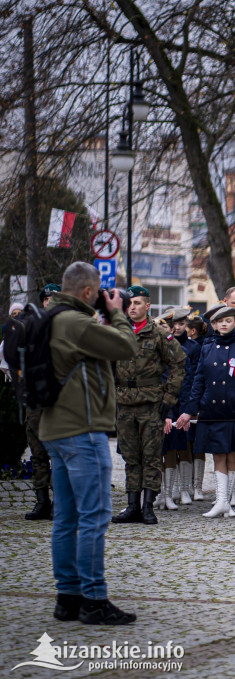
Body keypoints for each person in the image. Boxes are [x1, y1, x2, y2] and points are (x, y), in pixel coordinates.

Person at [39, 262, 138, 625]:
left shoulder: (51, 317)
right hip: (82, 429)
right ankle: (94, 599)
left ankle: (67, 598)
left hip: (55, 429)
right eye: (97, 291)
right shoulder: (75, 322)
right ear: (86, 291)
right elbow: (126, 346)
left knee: (66, 518)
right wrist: (117, 312)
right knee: (94, 516)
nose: (100, 297)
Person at [176, 306, 235, 518]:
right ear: (214, 325)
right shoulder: (207, 347)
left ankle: (227, 501)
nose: (224, 324)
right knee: (218, 453)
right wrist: (190, 410)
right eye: (220, 321)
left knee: (232, 453)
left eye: (228, 320)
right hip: (212, 408)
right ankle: (221, 502)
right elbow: (199, 380)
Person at [111, 286, 186, 524]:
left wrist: (169, 398)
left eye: (137, 303)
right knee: (130, 456)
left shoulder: (159, 334)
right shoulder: (118, 332)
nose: (132, 307)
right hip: (124, 403)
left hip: (151, 403)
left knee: (151, 456)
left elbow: (179, 363)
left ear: (147, 306)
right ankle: (132, 505)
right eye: (129, 303)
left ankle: (148, 506)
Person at [20, 284, 61, 520]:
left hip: (57, 402)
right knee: (37, 453)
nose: (49, 302)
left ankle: (59, 502)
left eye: (54, 298)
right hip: (35, 400)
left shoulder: (66, 328)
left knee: (58, 454)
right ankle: (42, 501)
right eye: (46, 299)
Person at [162, 307, 201, 506]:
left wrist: (191, 407)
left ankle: (185, 489)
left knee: (185, 446)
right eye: (173, 324)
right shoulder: (163, 345)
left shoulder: (194, 347)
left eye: (181, 323)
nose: (177, 327)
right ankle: (168, 492)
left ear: (187, 325)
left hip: (186, 402)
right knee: (168, 448)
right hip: (167, 402)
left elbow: (196, 379)